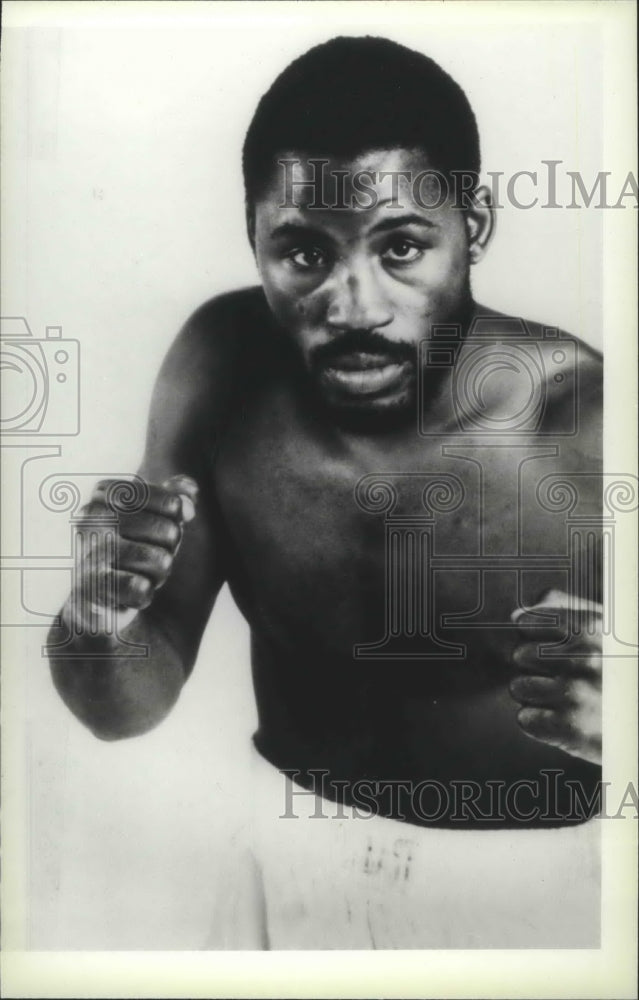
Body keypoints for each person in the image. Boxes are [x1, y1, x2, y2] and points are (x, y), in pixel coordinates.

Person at [47, 36, 603, 948]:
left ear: (479, 225)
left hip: (536, 894)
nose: (353, 306)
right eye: (303, 254)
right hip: (281, 855)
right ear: (253, 239)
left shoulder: (585, 421)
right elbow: (122, 711)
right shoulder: (219, 366)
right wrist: (94, 616)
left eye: (403, 247)